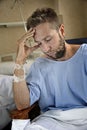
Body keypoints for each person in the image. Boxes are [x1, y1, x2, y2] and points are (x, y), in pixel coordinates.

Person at [13, 7, 87, 130]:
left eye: (48, 39)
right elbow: (22, 104)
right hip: (53, 120)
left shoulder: (85, 55)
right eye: (40, 43)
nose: (46, 49)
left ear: (62, 31)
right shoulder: (39, 66)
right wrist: (19, 62)